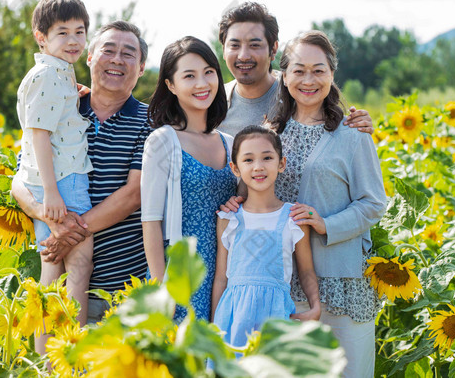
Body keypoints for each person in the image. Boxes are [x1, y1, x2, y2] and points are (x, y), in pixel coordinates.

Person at [223, 30, 386, 376]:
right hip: (283, 283)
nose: (308, 80)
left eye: (318, 70)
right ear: (285, 75)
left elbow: (373, 203)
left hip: (342, 280)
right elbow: (250, 189)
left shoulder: (352, 134)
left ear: (331, 75)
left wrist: (325, 223)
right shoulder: (270, 133)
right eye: (298, 70)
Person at [11, 20, 150, 324]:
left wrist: (70, 233)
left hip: (120, 295)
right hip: (58, 289)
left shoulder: (151, 121)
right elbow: (21, 179)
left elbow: (134, 194)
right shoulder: (59, 105)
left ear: (141, 68)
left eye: (129, 54)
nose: (116, 59)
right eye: (108, 50)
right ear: (89, 57)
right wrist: (46, 214)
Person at [12, 0, 94, 342]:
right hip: (62, 182)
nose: (73, 40)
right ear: (41, 37)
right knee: (76, 267)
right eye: (63, 32)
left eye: (80, 31)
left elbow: (52, 123)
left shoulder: (55, 74)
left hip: (58, 181)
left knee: (54, 267)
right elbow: (39, 136)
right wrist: (50, 193)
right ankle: (65, 354)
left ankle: (48, 359)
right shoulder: (48, 76)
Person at [141, 36, 236, 322]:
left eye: (209, 72)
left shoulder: (231, 143)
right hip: (180, 278)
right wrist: (160, 290)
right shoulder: (162, 141)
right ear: (170, 85)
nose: (202, 83)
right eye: (189, 76)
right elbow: (151, 221)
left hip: (226, 276)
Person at [211, 125, 320, 348]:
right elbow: (222, 278)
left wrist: (315, 306)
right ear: (235, 168)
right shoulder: (228, 218)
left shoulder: (293, 217)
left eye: (267, 158)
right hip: (231, 320)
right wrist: (214, 328)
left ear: (281, 164)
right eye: (248, 160)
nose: (258, 167)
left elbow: (307, 270)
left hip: (276, 320)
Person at [216, 1, 373, 136]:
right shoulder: (213, 102)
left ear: (273, 49)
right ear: (223, 50)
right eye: (234, 45)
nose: (243, 56)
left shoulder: (299, 91)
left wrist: (357, 125)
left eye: (255, 45)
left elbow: (335, 126)